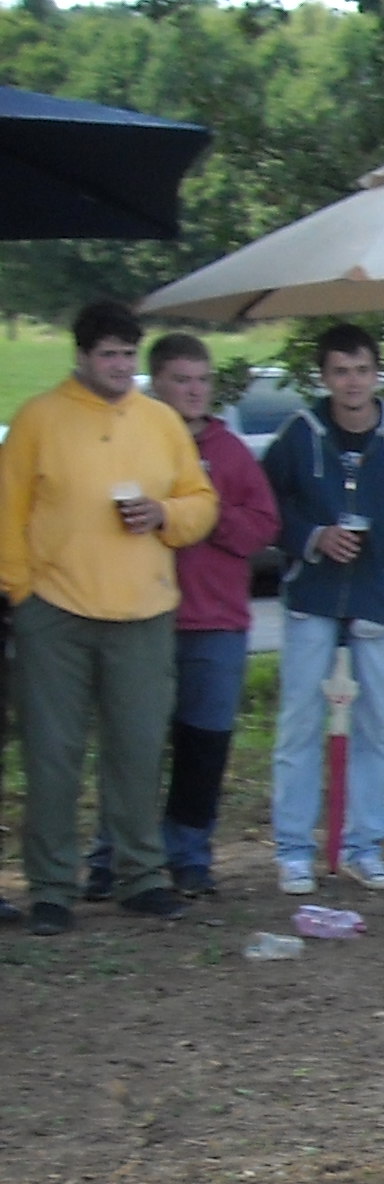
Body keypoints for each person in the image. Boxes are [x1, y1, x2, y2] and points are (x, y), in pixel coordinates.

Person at [0, 300, 216, 934]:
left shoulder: (161, 421)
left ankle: (141, 877)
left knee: (138, 751)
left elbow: (201, 500)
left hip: (144, 611)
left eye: (128, 354)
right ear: (82, 356)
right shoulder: (39, 418)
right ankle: (51, 889)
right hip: (54, 613)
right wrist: (21, 594)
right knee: (52, 755)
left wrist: (165, 514)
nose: (121, 366)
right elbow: (7, 511)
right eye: (108, 355)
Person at [82, 334, 278, 898]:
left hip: (215, 621)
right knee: (132, 746)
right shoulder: (130, 440)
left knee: (203, 745)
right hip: (140, 613)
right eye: (181, 380)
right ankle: (112, 855)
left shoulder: (229, 451)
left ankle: (189, 854)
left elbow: (263, 527)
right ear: (156, 384)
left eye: (202, 380)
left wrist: (204, 513)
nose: (194, 391)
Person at [262, 323, 384, 895]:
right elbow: (267, 505)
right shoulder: (300, 434)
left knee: (374, 726)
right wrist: (312, 537)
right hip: (313, 597)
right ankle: (294, 849)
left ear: (376, 373)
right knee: (298, 724)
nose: (353, 383)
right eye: (340, 372)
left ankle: (365, 845)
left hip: (376, 602)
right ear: (324, 377)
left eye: (362, 370)